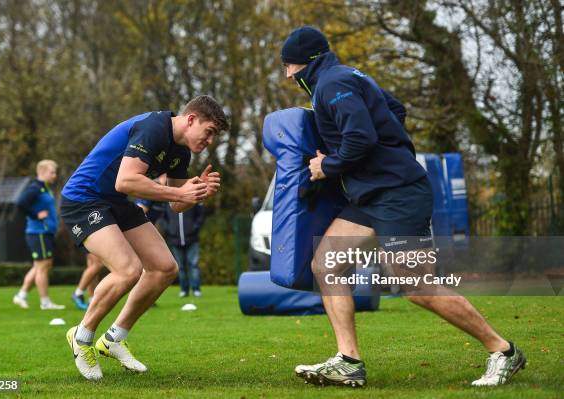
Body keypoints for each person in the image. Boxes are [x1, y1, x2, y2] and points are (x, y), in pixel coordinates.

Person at [281, 26, 525, 388]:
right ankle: (349, 361)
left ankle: (503, 351)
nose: (287, 74)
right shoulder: (346, 77)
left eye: (289, 65)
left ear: (306, 62)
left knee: (417, 286)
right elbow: (395, 108)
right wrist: (383, 155)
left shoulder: (332, 84)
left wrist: (327, 165)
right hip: (372, 194)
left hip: (398, 194)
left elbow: (362, 137)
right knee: (326, 263)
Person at [60, 95, 228, 380]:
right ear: (190, 120)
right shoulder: (153, 128)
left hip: (114, 201)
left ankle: (113, 338)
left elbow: (177, 205)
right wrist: (180, 192)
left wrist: (197, 193)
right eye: (209, 131)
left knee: (165, 268)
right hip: (83, 200)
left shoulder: (181, 152)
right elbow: (125, 180)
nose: (210, 141)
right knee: (127, 270)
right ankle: (83, 336)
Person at [13, 160, 65, 310]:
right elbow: (21, 202)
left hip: (45, 232)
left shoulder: (44, 188)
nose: (55, 175)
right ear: (42, 172)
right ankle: (45, 302)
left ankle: (21, 295)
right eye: (52, 172)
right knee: (43, 266)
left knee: (40, 266)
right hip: (38, 232)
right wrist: (36, 215)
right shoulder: (35, 187)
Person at [162, 202, 206, 297]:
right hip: (175, 240)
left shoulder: (191, 199)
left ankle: (196, 289)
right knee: (180, 266)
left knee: (193, 264)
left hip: (192, 239)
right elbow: (163, 218)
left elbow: (201, 215)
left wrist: (194, 227)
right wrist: (170, 229)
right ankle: (184, 290)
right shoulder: (168, 202)